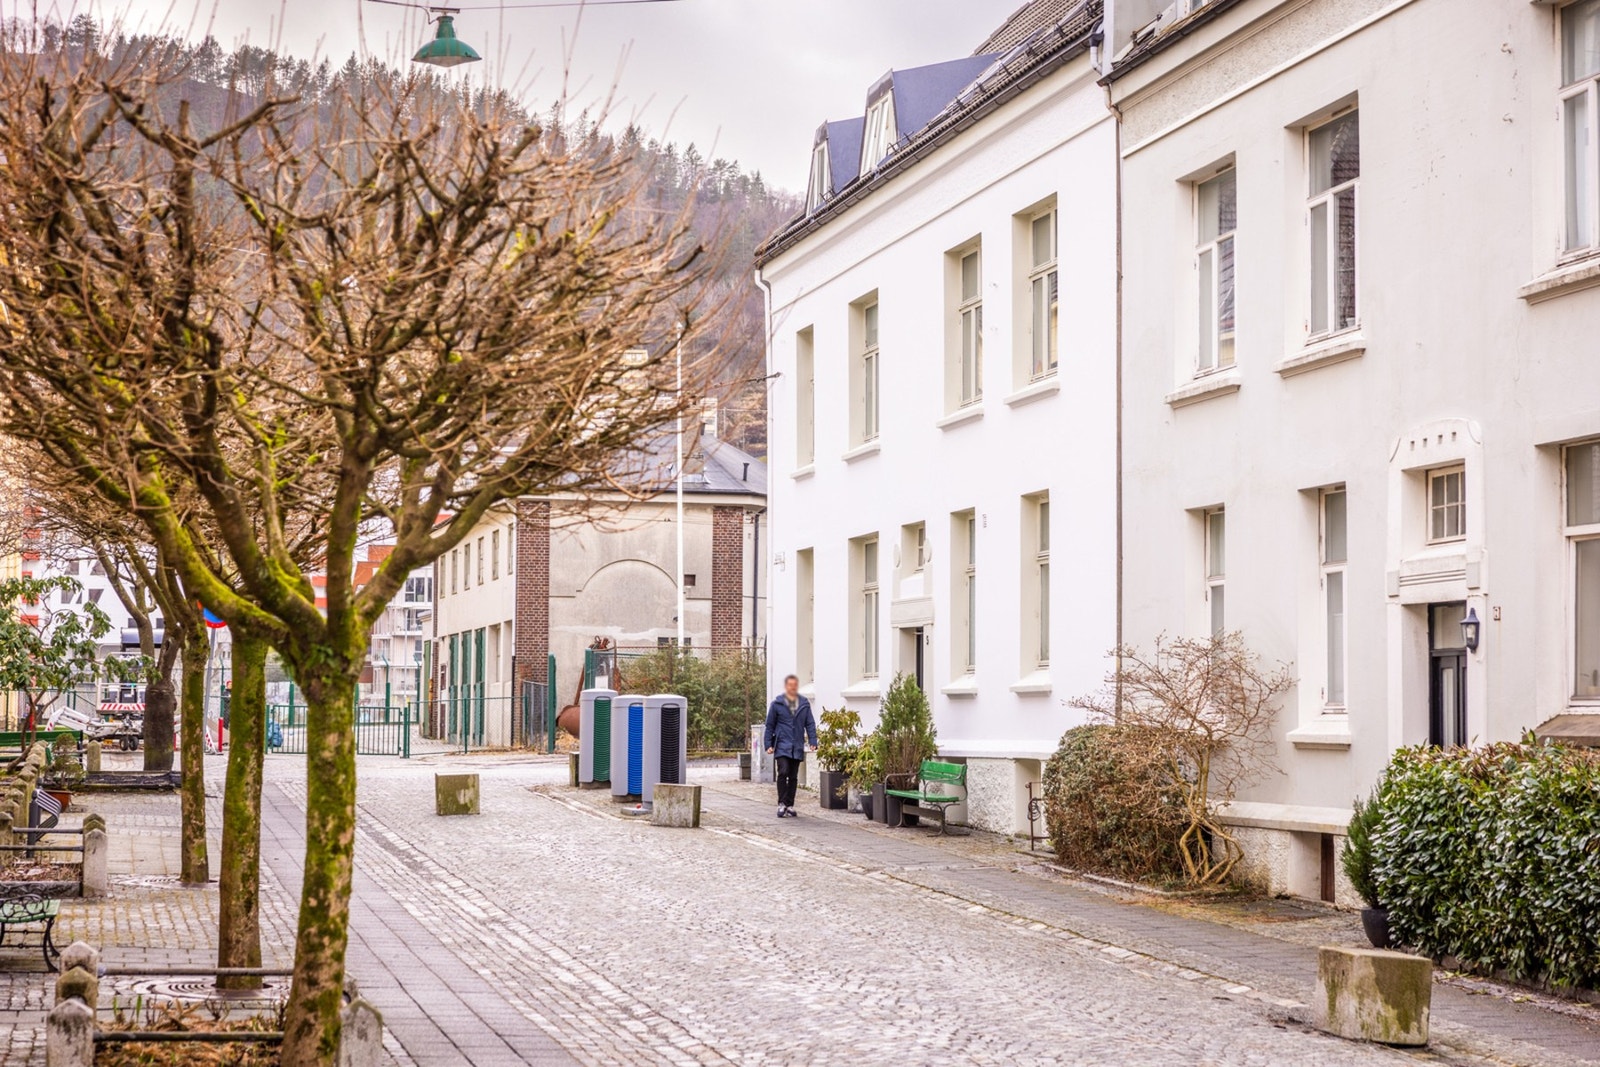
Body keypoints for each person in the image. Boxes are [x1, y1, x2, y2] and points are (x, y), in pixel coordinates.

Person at [763, 674, 817, 818]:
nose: (792, 688)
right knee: (783, 771)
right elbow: (770, 725)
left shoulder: (804, 704)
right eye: (790, 685)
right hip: (782, 744)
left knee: (793, 776)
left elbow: (810, 723)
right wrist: (768, 744)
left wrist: (813, 741)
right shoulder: (777, 704)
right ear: (786, 687)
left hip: (796, 745)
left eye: (794, 685)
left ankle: (789, 805)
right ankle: (781, 803)